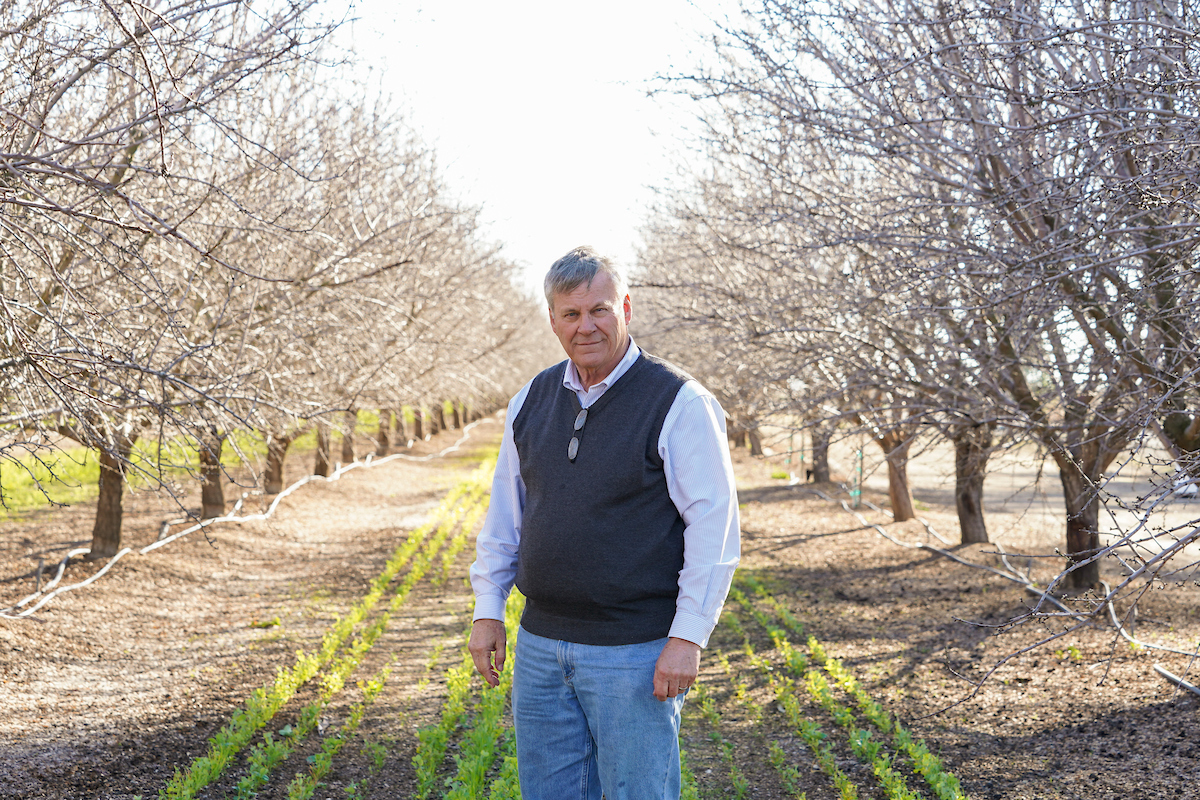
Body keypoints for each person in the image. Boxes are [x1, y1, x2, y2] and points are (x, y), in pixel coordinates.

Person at [468, 246, 740, 800]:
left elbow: (715, 527)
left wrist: (687, 637)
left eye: (600, 310)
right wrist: (487, 610)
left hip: (634, 653)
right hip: (541, 648)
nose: (586, 325)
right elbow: (506, 515)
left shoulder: (679, 401)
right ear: (552, 320)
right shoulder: (531, 399)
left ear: (626, 308)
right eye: (571, 314)